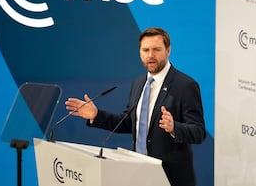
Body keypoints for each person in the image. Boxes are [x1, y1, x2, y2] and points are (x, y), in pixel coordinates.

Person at [65, 27, 206, 186]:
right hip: (139, 174)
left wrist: (174, 128)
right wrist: (96, 116)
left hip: (170, 178)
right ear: (140, 52)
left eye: (156, 49)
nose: (150, 55)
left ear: (168, 50)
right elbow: (130, 123)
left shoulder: (185, 85)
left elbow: (199, 132)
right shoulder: (139, 83)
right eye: (145, 50)